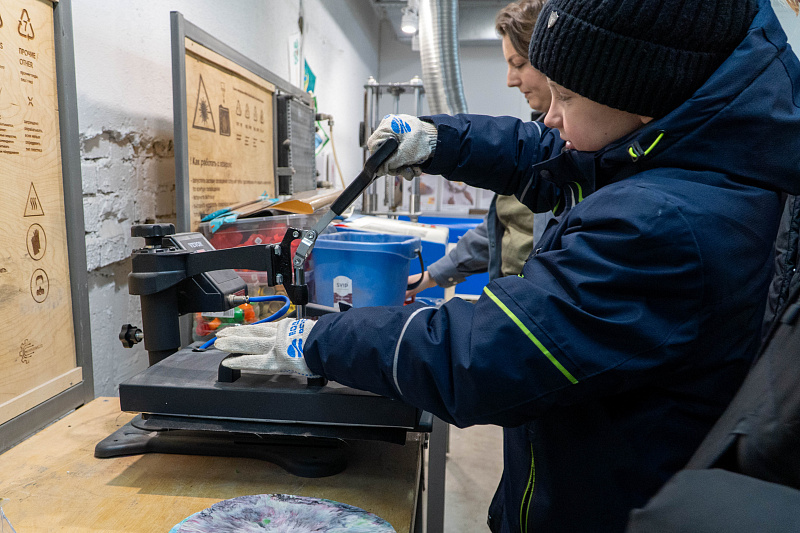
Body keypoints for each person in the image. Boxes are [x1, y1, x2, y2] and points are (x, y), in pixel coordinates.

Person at [215, 0, 800, 531]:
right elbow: (547, 153)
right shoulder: (687, 148)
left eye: (566, 97)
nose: (550, 117)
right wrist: (440, 141)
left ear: (642, 99)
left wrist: (322, 339)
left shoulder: (668, 222)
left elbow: (484, 354)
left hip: (603, 505)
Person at [407, 0, 553, 299]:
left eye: (518, 64)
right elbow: (498, 228)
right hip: (512, 300)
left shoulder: (581, 150)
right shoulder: (535, 142)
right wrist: (430, 277)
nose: (510, 80)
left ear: (554, 60)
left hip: (538, 308)